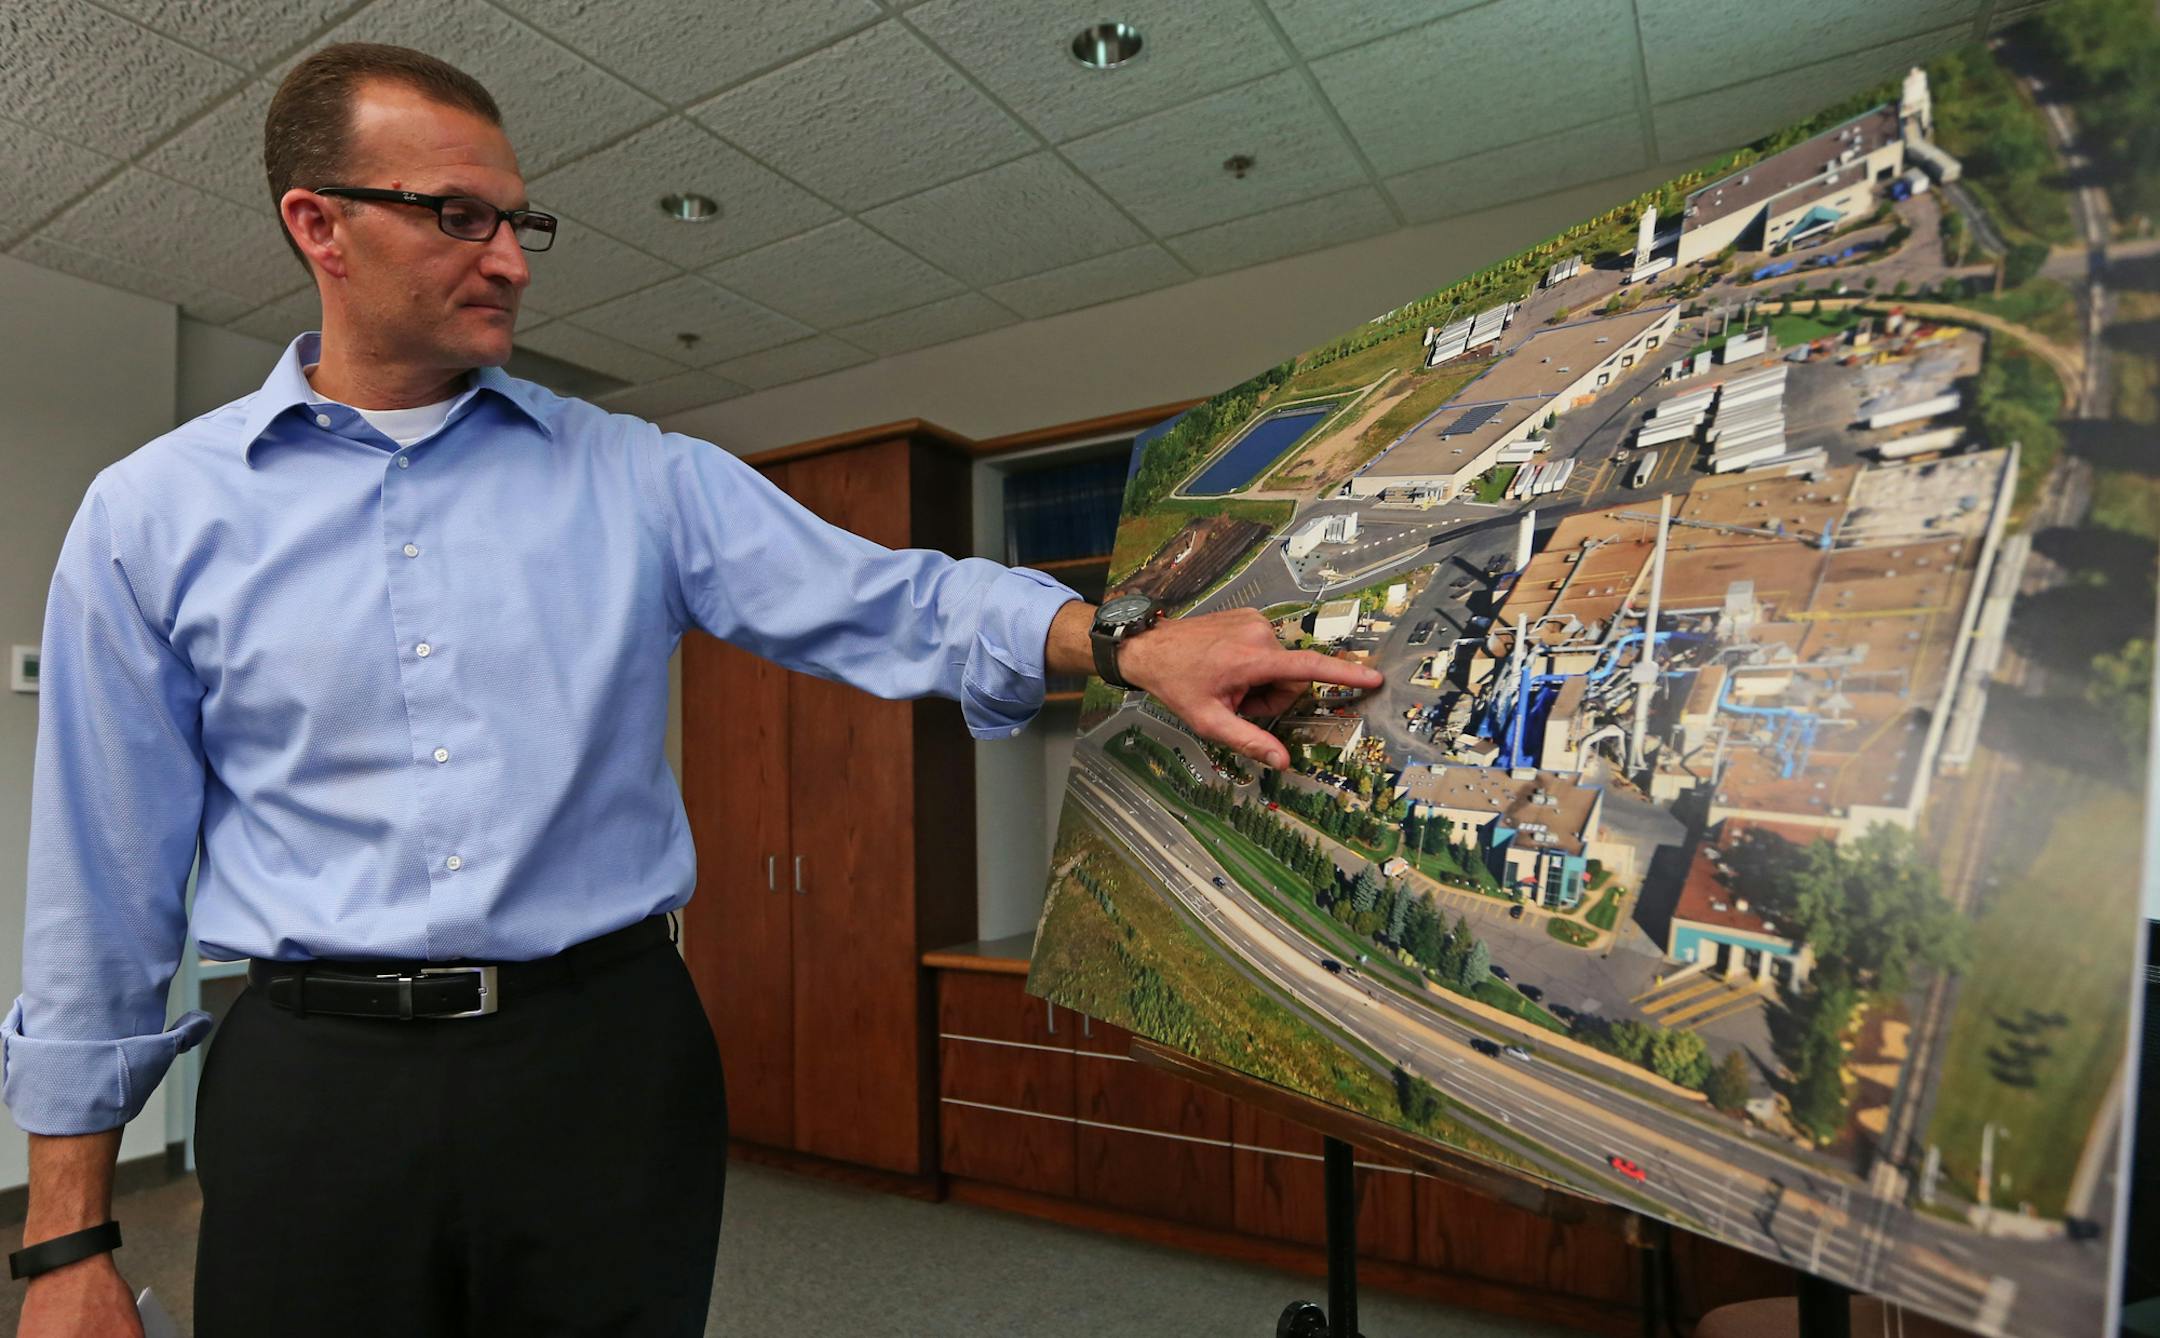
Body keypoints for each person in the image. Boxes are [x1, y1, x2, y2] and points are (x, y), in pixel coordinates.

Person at [3, 41, 1380, 1338]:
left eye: (518, 224)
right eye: (456, 216)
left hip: (602, 1064)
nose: (508, 260)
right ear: (318, 224)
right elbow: (100, 883)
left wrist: (1126, 640)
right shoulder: (155, 518)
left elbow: (886, 596)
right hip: (314, 1080)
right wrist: (66, 1239)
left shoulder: (635, 473)